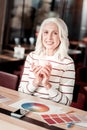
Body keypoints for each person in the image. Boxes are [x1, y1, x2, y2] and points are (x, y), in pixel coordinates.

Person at [18, 17, 75, 106]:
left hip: (52, 110)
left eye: (55, 33)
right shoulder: (32, 57)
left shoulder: (67, 63)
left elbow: (67, 102)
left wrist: (47, 84)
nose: (49, 37)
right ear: (41, 35)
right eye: (46, 32)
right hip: (27, 105)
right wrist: (36, 81)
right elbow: (21, 92)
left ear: (61, 37)